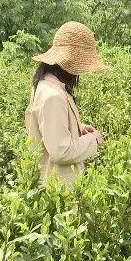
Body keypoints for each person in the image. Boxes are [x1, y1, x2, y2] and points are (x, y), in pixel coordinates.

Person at [25, 21, 111, 188]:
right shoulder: (53, 96)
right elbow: (61, 152)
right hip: (58, 190)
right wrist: (93, 140)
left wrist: (77, 128)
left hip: (53, 186)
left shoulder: (46, 85)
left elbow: (49, 130)